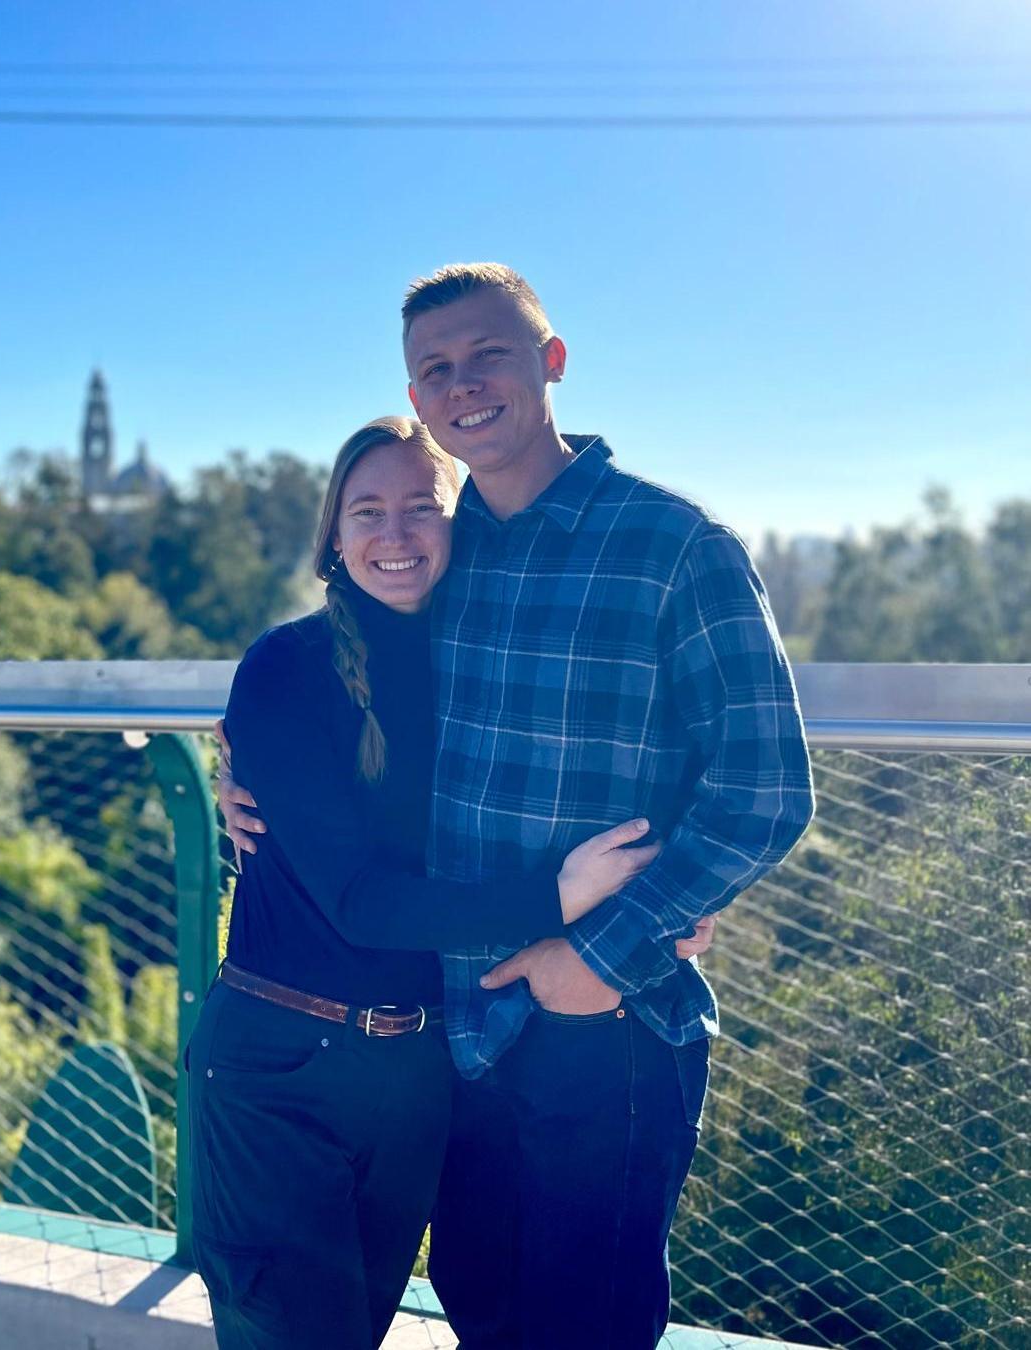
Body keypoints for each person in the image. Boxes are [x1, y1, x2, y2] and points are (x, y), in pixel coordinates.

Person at [223, 264, 815, 1349]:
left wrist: (605, 951)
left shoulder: (675, 547)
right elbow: (342, 695)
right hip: (458, 1036)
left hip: (605, 1022)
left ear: (550, 363)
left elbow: (765, 788)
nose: (462, 384)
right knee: (485, 1306)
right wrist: (244, 773)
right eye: (433, 368)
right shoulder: (454, 552)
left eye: (486, 354)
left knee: (581, 1323)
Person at [190, 414, 715, 1350]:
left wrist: (666, 894)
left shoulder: (472, 668)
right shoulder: (287, 666)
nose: (394, 536)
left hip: (418, 1074)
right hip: (281, 1072)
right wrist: (558, 899)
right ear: (334, 538)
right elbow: (357, 899)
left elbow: (609, 755)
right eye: (367, 511)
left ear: (457, 525)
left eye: (419, 509)